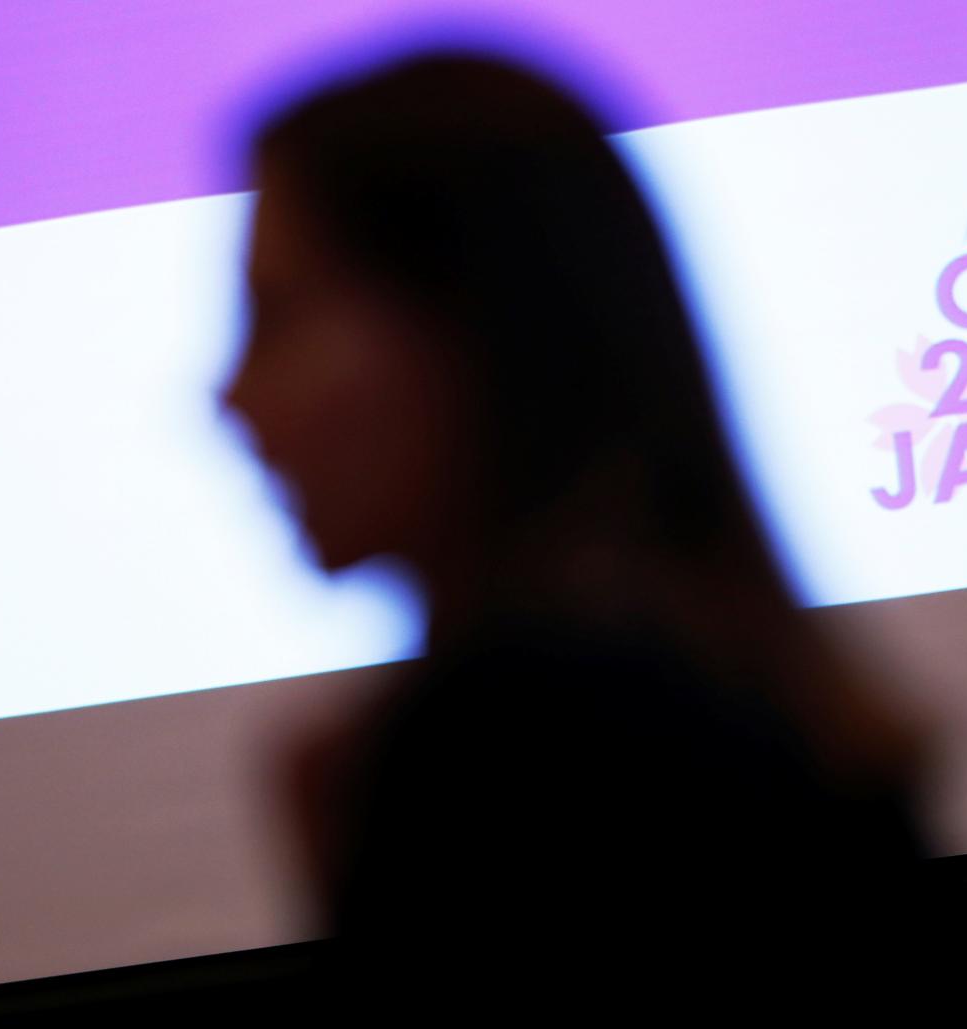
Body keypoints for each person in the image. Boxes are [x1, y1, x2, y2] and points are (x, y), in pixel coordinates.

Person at [221, 52, 930, 1015]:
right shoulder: (745, 686)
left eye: (276, 319)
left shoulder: (510, 742)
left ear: (471, 325)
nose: (232, 395)